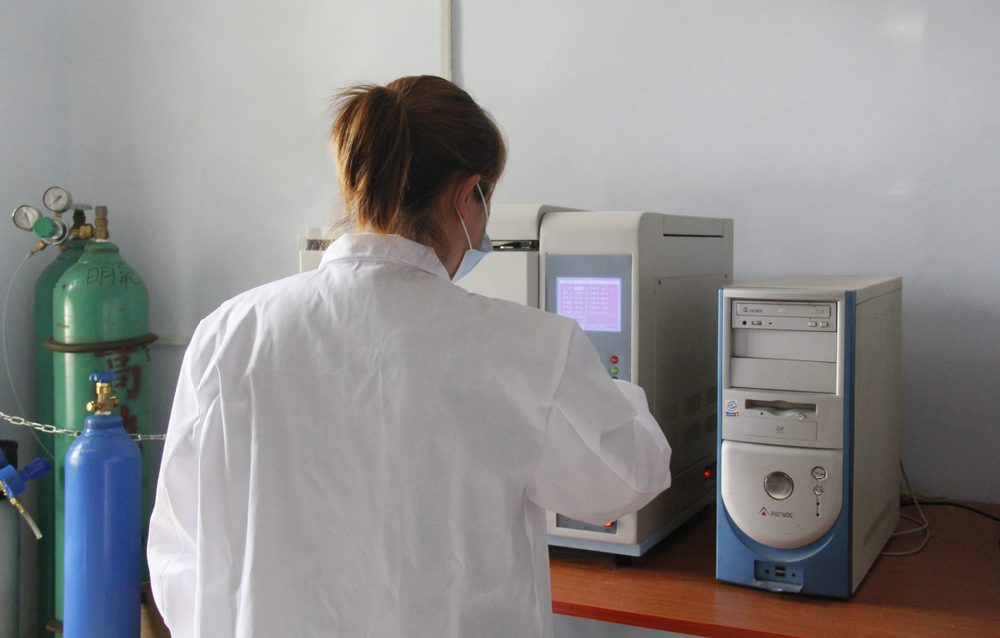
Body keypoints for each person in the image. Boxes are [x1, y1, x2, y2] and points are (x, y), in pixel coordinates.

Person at [147, 75, 671, 638]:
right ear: (467, 195)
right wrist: (602, 387)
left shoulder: (228, 333)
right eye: (486, 200)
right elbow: (627, 478)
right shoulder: (530, 348)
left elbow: (180, 559)